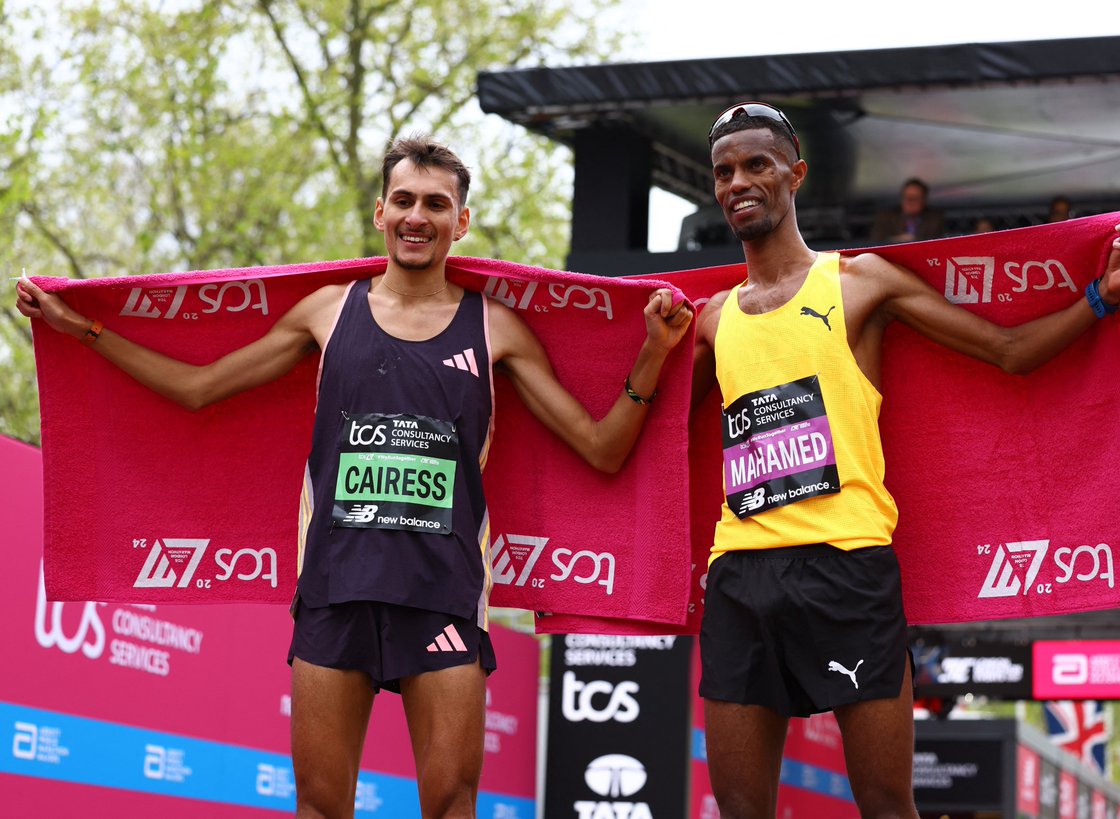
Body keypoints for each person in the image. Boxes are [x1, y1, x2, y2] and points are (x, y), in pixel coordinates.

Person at [16, 135, 693, 819]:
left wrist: (652, 354)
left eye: (436, 203)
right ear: (380, 212)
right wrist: (86, 332)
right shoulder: (327, 310)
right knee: (319, 804)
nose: (417, 216)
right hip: (336, 593)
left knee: (453, 803)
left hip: (443, 596)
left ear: (460, 222)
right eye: (404, 200)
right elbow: (200, 388)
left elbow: (602, 448)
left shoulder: (496, 329)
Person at [693, 102, 1120, 819]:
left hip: (845, 567)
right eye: (724, 171)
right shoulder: (712, 319)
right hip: (739, 575)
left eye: (756, 164)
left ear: (796, 173)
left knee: (886, 804)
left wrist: (1102, 295)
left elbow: (1007, 352)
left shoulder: (860, 283)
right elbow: (640, 424)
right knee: (739, 809)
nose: (738, 182)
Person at [869, 176, 945, 243]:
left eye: (914, 198)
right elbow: (876, 242)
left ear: (924, 200)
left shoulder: (934, 219)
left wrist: (914, 240)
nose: (909, 202)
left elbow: (936, 242)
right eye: (906, 197)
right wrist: (897, 240)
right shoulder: (886, 217)